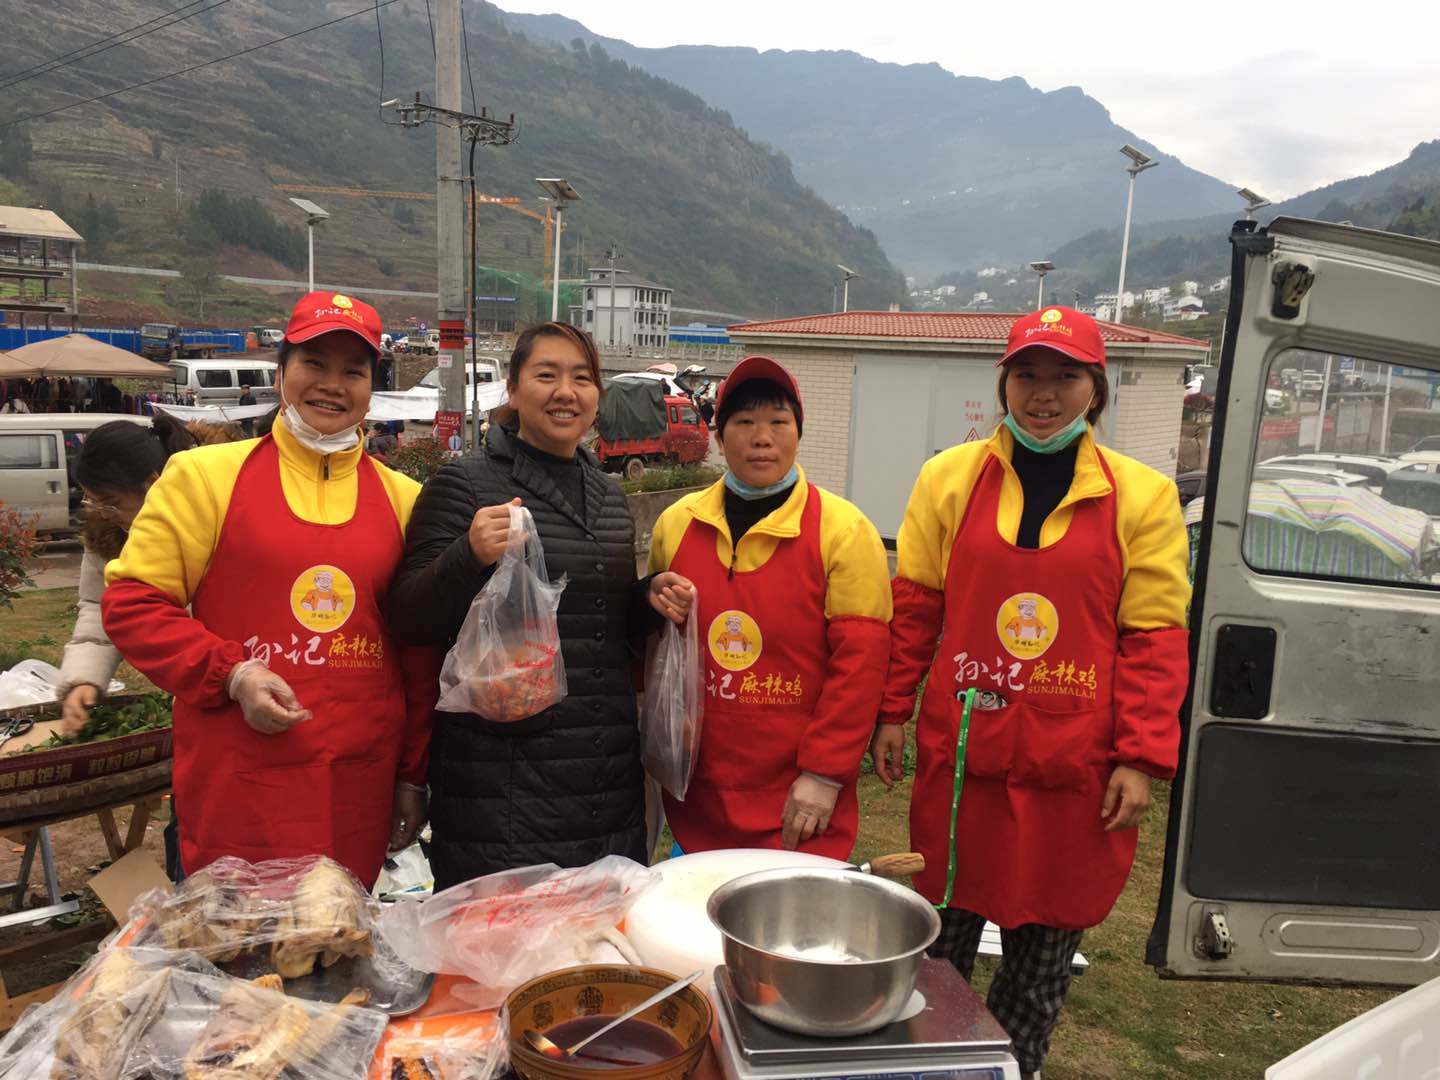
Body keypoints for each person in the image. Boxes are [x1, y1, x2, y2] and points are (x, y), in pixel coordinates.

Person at [873, 307, 1190, 1079]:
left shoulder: (1143, 497)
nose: (1043, 394)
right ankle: (925, 1066)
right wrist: (892, 710)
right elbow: (916, 607)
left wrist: (1140, 758)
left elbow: (1152, 641)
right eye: (1027, 375)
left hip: (1072, 771)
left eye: (1065, 376)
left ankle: (1015, 1068)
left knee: (1041, 961)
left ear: (1097, 388)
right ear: (1004, 383)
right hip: (963, 763)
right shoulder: (947, 478)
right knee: (936, 952)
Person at [101, 291, 438, 886]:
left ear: (372, 387)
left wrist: (411, 775)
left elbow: (416, 654)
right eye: (314, 364)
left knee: (337, 943)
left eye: (353, 371)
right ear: (282, 371)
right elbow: (133, 604)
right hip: (239, 781)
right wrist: (233, 674)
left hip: (355, 784)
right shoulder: (205, 477)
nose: (333, 385)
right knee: (238, 959)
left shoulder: (405, 500)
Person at [388, 321, 693, 890]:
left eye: (582, 378)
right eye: (546, 375)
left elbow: (602, 626)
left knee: (594, 957)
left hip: (605, 780)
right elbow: (408, 618)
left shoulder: (607, 495)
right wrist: (468, 554)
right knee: (503, 963)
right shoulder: (465, 484)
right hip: (503, 789)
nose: (566, 392)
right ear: (512, 388)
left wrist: (648, 601)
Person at [647, 356, 892, 857]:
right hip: (700, 793)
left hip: (799, 800)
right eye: (744, 423)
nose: (762, 438)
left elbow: (860, 666)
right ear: (718, 437)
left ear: (798, 433)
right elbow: (657, 649)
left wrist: (824, 773)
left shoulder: (843, 531)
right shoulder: (676, 524)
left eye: (778, 422)